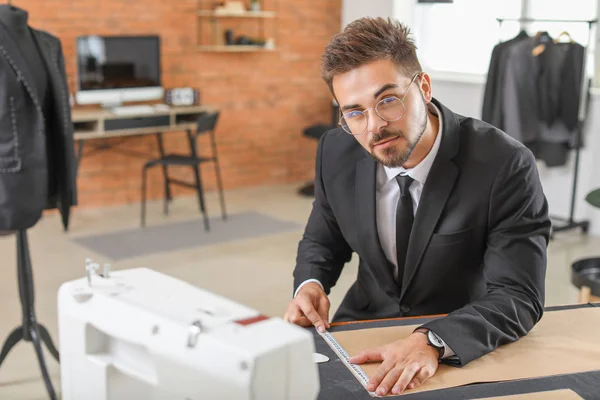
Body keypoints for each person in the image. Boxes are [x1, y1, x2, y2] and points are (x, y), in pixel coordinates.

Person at [283, 17, 550, 396]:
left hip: (456, 339)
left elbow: (518, 295)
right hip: (363, 327)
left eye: (387, 101)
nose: (374, 126)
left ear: (423, 87)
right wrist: (310, 284)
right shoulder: (335, 150)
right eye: (354, 112)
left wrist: (434, 340)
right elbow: (323, 238)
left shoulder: (504, 164)